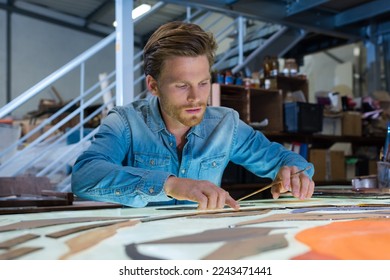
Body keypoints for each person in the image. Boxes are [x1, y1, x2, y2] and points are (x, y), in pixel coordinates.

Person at [71, 21, 315, 210]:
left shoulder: (226, 124)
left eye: (203, 83)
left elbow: (287, 161)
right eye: (181, 85)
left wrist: (296, 173)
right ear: (153, 86)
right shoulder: (125, 123)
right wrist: (171, 185)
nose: (196, 97)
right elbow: (84, 176)